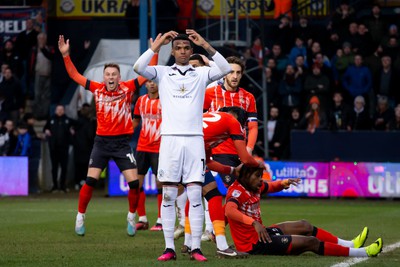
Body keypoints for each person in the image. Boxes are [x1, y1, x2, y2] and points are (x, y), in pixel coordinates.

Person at [134, 29, 231, 261]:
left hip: (194, 140)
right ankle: (169, 248)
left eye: (187, 48)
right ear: (173, 50)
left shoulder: (201, 74)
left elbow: (225, 69)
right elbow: (138, 67)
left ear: (191, 50)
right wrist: (156, 45)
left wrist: (205, 44)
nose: (183, 51)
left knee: (196, 194)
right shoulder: (162, 72)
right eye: (178, 48)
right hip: (169, 141)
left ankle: (196, 248)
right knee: (168, 194)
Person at [58, 35, 155, 236]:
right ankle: (80, 216)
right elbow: (74, 75)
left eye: (114, 74)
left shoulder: (128, 88)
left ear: (119, 77)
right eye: (108, 74)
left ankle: (131, 216)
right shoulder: (97, 88)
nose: (111, 77)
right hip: (101, 143)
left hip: (121, 144)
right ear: (104, 77)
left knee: (135, 184)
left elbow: (147, 74)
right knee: (91, 181)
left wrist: (155, 51)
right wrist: (66, 55)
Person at [225, 165, 383, 257]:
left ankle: (350, 243)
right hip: (253, 246)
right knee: (311, 242)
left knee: (304, 225)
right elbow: (229, 211)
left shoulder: (254, 186)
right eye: (257, 176)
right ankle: (363, 253)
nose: (261, 180)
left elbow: (270, 186)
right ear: (246, 176)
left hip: (261, 234)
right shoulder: (236, 192)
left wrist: (283, 182)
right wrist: (253, 223)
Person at [181, 106, 263, 258]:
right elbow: (245, 158)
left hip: (176, 149)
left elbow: (208, 162)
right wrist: (258, 164)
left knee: (198, 194)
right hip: (185, 154)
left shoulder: (208, 122)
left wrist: (232, 170)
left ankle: (188, 242)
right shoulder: (232, 121)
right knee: (209, 195)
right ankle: (220, 246)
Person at [203, 56, 258, 186]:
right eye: (231, 72)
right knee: (232, 190)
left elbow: (253, 127)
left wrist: (249, 149)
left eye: (238, 73)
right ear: (224, 74)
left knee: (244, 193)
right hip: (219, 151)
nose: (235, 76)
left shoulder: (248, 97)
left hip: (240, 152)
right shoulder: (209, 94)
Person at [132, 80, 163, 232]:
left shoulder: (165, 100)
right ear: (145, 84)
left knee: (160, 183)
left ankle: (161, 220)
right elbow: (136, 119)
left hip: (160, 147)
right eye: (149, 81)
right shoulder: (141, 100)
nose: (152, 84)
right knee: (136, 183)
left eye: (155, 82)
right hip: (142, 146)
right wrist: (126, 132)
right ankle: (142, 219)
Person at [43, 104, 74, 193]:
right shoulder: (51, 119)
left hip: (64, 148)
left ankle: (62, 186)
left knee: (64, 167)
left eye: (61, 109)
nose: (60, 111)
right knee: (54, 167)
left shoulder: (67, 120)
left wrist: (72, 130)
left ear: (63, 110)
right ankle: (55, 186)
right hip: (53, 148)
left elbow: (78, 124)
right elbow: (45, 128)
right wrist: (46, 131)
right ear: (55, 110)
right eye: (58, 109)